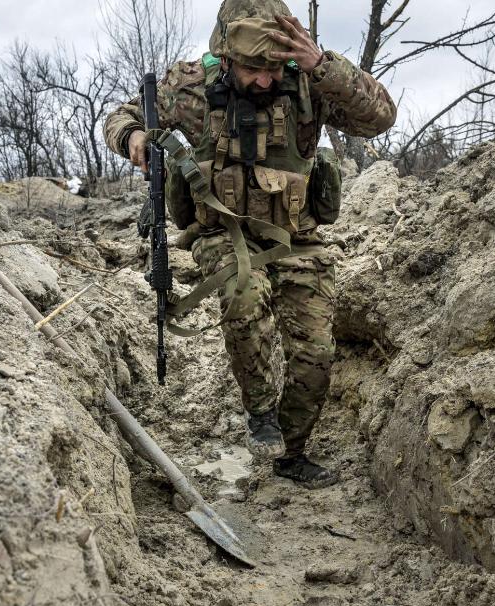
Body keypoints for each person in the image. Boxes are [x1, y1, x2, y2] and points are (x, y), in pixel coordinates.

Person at [104, 0, 396, 489]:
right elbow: (121, 117)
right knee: (243, 292)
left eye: (273, 68)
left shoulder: (307, 82)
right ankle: (260, 410)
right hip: (221, 233)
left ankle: (293, 449)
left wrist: (322, 66)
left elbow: (380, 116)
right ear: (226, 57)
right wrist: (131, 136)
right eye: (253, 69)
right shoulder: (190, 85)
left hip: (297, 239)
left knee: (316, 352)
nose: (265, 80)